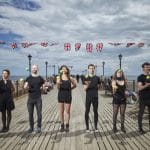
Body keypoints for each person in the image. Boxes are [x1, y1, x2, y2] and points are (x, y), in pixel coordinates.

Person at [24, 65, 45, 133]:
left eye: (35, 68)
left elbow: (43, 86)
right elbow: (25, 86)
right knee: (30, 114)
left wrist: (43, 88)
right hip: (30, 98)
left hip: (38, 98)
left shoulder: (40, 78)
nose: (34, 69)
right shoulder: (28, 78)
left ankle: (39, 127)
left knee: (39, 114)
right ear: (31, 69)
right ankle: (31, 127)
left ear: (37, 69)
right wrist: (25, 87)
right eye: (33, 68)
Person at [56, 65, 77, 132]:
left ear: (67, 70)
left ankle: (67, 125)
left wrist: (70, 89)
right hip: (61, 95)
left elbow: (75, 85)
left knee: (67, 111)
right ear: (61, 70)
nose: (64, 70)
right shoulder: (59, 77)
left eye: (65, 69)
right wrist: (58, 84)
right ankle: (62, 125)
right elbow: (58, 88)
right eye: (62, 69)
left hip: (68, 95)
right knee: (61, 111)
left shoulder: (70, 78)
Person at [83, 64, 100, 132]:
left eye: (93, 68)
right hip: (88, 97)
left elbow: (99, 87)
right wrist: (88, 84)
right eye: (90, 68)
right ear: (88, 69)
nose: (92, 69)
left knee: (95, 112)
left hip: (95, 97)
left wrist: (96, 87)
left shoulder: (97, 78)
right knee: (87, 111)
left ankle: (95, 127)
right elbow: (84, 89)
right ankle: (87, 127)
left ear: (94, 69)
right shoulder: (85, 77)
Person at [111, 69, 127, 133]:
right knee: (115, 114)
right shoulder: (114, 80)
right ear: (116, 73)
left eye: (121, 72)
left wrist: (127, 93)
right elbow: (113, 85)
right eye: (118, 72)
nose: (119, 73)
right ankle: (114, 127)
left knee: (122, 114)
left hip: (123, 99)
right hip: (116, 99)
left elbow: (125, 89)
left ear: (122, 74)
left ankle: (122, 127)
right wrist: (114, 87)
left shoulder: (125, 80)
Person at [137, 62, 150, 134]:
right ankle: (140, 128)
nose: (148, 68)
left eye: (149, 67)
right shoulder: (140, 77)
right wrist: (147, 85)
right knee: (141, 113)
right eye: (147, 67)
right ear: (143, 68)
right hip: (143, 98)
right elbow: (140, 88)